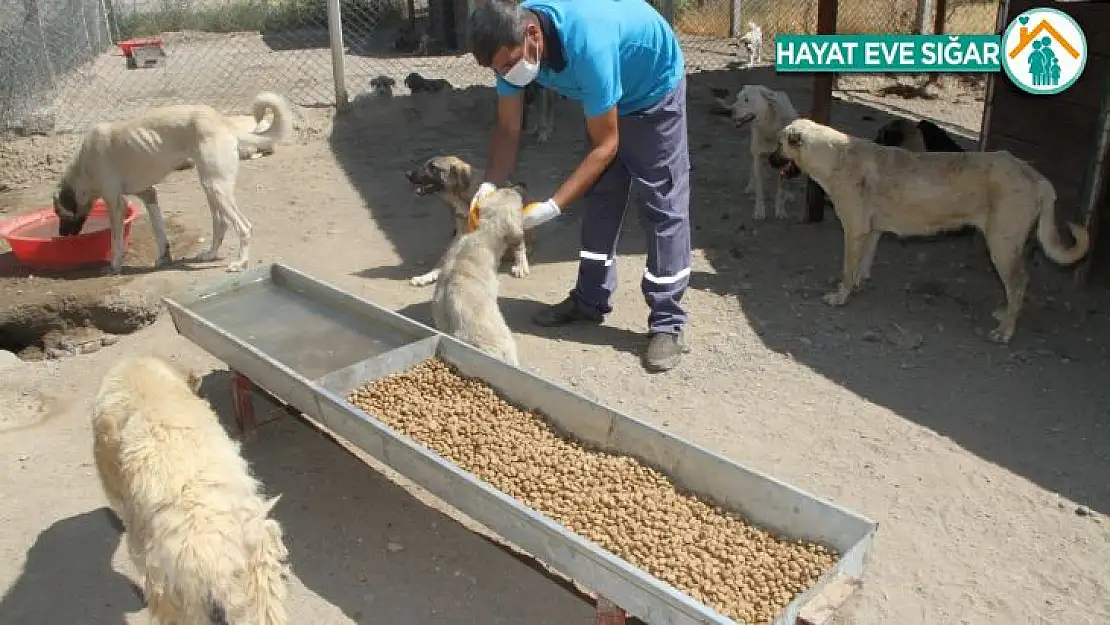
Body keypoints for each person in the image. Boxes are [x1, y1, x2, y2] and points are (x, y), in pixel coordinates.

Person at [467, 0, 693, 372]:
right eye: (499, 69)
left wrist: (552, 206)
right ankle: (589, 300)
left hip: (653, 90)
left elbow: (607, 144)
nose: (507, 73)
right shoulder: (507, 48)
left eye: (510, 63)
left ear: (532, 34)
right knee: (602, 194)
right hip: (606, 90)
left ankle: (668, 322)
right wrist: (489, 185)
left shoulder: (589, 43)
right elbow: (508, 128)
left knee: (662, 202)